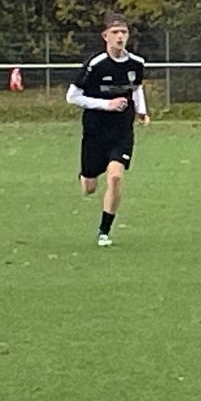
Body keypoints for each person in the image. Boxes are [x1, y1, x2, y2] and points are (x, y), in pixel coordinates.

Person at [66, 13, 150, 245]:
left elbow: (136, 88)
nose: (120, 36)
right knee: (89, 187)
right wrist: (107, 105)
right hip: (95, 131)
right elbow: (72, 97)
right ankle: (86, 175)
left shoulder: (136, 63)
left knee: (115, 177)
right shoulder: (95, 65)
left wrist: (142, 111)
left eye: (123, 32)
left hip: (121, 131)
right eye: (115, 32)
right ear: (105, 36)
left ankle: (104, 231)